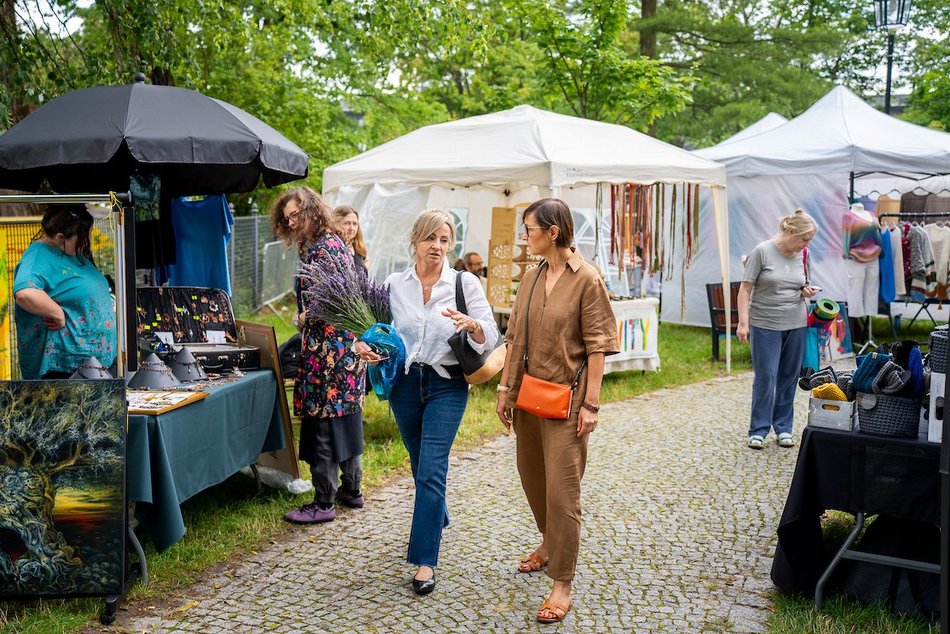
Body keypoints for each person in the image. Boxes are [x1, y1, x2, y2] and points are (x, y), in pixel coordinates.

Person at [353, 209, 500, 596]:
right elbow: (373, 329)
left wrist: (473, 326)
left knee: (432, 470)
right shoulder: (393, 284)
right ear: (415, 241)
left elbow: (492, 332)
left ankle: (424, 561)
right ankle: (437, 516)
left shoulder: (463, 283)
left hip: (447, 385)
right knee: (420, 465)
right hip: (404, 384)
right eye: (430, 238)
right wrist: (362, 345)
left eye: (444, 239)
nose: (437, 246)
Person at [495, 198, 618, 624]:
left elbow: (600, 345)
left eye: (529, 229)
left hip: (569, 404)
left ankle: (561, 581)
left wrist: (592, 404)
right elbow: (516, 340)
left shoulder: (587, 279)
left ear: (553, 232)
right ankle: (548, 543)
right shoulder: (531, 277)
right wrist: (506, 389)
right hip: (529, 398)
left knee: (563, 495)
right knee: (532, 479)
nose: (524, 237)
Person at [271, 188, 366, 524]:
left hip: (329, 353)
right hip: (342, 352)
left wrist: (304, 317)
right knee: (344, 418)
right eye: (287, 218)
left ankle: (323, 503)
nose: (292, 221)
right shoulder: (331, 243)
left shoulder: (324, 248)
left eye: (296, 214)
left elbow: (329, 304)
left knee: (322, 425)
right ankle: (351, 490)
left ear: (312, 209)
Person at [737, 208, 819, 450]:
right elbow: (744, 290)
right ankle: (759, 429)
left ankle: (783, 428)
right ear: (792, 231)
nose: (807, 244)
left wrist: (807, 291)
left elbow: (804, 284)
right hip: (765, 324)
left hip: (796, 323)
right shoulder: (762, 251)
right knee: (766, 376)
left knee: (788, 377)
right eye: (805, 238)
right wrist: (743, 322)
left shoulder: (804, 254)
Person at [13, 204, 116, 379]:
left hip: (94, 364)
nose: (88, 240)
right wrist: (57, 313)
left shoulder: (68, 250)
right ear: (61, 238)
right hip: (68, 370)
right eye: (83, 236)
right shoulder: (37, 257)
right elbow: (25, 293)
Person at [331, 204, 369, 274]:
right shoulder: (332, 248)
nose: (351, 228)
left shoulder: (357, 246)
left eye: (354, 224)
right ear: (335, 224)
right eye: (347, 223)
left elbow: (366, 260)